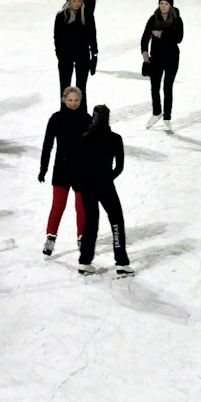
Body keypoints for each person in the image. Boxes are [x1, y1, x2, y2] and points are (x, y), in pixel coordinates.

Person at [74, 105, 132, 276]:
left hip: (87, 186)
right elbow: (119, 167)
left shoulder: (84, 138)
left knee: (90, 223)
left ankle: (85, 262)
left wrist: (83, 183)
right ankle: (121, 262)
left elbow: (78, 165)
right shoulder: (115, 139)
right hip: (105, 185)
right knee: (116, 221)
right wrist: (107, 177)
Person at [39, 84, 89, 257]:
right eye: (70, 100)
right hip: (61, 168)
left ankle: (82, 238)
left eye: (76, 100)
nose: (73, 103)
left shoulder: (87, 119)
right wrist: (43, 168)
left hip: (81, 170)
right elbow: (48, 144)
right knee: (58, 205)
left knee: (81, 206)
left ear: (80, 101)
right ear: (63, 100)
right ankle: (50, 238)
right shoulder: (56, 118)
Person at [141, 0, 184, 130]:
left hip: (172, 58)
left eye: (166, 3)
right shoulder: (153, 19)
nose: (163, 6)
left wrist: (161, 34)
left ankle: (167, 118)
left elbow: (178, 38)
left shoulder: (177, 19)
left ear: (171, 5)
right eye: (161, 3)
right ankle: (156, 112)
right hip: (157, 58)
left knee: (167, 88)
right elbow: (145, 37)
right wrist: (145, 53)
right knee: (154, 87)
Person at [54, 0, 97, 109]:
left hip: (82, 55)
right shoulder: (61, 15)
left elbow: (92, 36)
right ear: (69, 0)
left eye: (79, 0)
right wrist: (60, 56)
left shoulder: (87, 14)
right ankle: (64, 116)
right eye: (74, 0)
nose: (77, 3)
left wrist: (94, 55)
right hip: (65, 57)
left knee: (81, 88)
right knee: (65, 88)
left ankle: (82, 117)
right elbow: (57, 39)